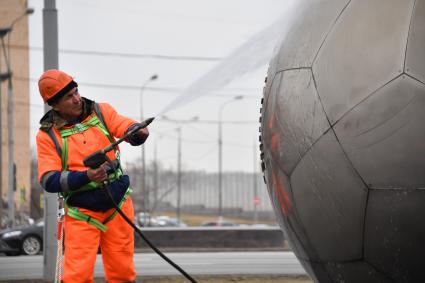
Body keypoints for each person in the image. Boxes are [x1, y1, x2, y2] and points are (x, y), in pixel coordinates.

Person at [36, 69, 149, 283]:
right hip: (81, 212)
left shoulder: (101, 111)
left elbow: (124, 125)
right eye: (69, 97)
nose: (77, 99)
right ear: (55, 104)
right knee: (76, 277)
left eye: (76, 92)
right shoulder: (47, 135)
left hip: (118, 205)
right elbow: (49, 179)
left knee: (123, 273)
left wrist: (137, 132)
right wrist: (87, 176)